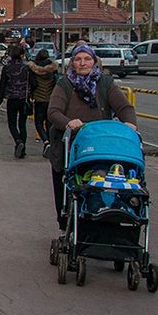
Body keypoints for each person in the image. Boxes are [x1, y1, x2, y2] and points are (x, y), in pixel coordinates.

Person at [47, 44, 137, 230]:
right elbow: (54, 111)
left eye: (87, 59)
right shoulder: (65, 84)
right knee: (65, 183)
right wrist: (68, 123)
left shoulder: (105, 83)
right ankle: (66, 222)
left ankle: (107, 216)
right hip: (71, 144)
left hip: (100, 144)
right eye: (78, 59)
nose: (83, 63)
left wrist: (129, 124)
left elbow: (124, 108)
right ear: (72, 63)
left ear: (94, 61)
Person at [0, 44, 31, 159]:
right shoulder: (26, 68)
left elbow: (2, 85)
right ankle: (23, 150)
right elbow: (33, 83)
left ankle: (18, 141)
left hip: (12, 99)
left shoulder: (7, 68)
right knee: (22, 124)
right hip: (23, 99)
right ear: (22, 55)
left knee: (12, 124)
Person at [28, 48, 58, 158]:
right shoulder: (53, 69)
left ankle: (46, 142)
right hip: (50, 99)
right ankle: (50, 143)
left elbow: (32, 84)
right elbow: (56, 83)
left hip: (39, 99)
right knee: (49, 123)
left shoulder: (33, 68)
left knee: (38, 123)